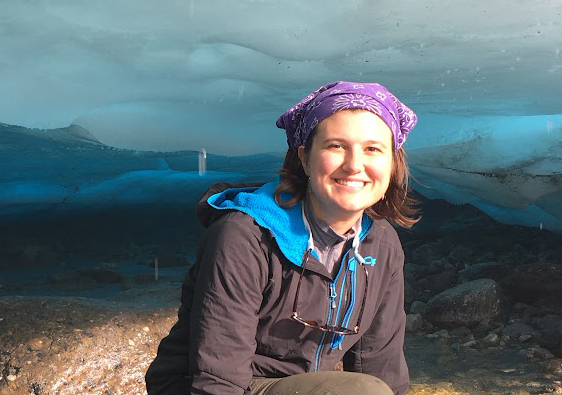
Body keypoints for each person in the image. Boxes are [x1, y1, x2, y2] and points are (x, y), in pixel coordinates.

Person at [145, 81, 420, 395]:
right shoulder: (245, 237)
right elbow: (218, 379)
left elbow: (381, 365)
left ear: (392, 163)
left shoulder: (381, 244)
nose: (355, 164)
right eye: (336, 146)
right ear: (304, 157)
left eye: (373, 149)